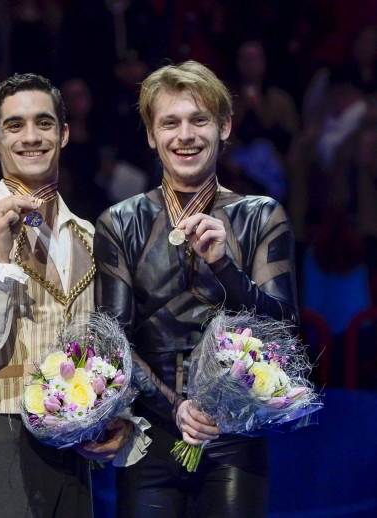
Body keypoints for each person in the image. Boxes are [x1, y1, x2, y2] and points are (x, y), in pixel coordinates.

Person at [94, 61, 298, 517]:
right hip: (149, 440)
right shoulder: (119, 222)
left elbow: (283, 330)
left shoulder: (261, 215)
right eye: (170, 122)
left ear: (224, 127)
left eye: (199, 120)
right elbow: (114, 341)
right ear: (152, 134)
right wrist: (176, 408)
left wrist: (224, 265)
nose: (185, 135)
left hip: (236, 443)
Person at [0, 73, 149, 518]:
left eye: (43, 123)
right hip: (0, 438)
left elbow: (103, 346)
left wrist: (118, 414)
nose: (31, 137)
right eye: (14, 126)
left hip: (74, 451)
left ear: (64, 133)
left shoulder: (88, 235)